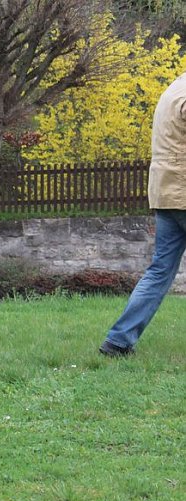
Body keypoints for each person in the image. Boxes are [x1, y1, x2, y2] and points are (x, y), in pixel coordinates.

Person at [100, 73, 186, 357]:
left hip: (165, 194)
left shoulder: (174, 88)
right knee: (160, 270)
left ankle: (118, 341)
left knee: (159, 271)